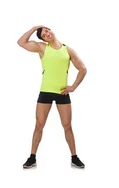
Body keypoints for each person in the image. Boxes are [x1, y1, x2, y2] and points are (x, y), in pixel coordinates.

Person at [17, 25, 88, 169]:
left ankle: (74, 157)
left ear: (52, 31)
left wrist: (73, 87)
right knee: (39, 125)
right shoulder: (42, 48)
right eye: (44, 34)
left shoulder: (67, 49)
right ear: (43, 39)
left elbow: (83, 69)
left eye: (47, 30)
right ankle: (32, 157)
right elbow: (21, 42)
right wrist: (35, 27)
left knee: (67, 126)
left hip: (62, 92)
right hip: (45, 92)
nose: (47, 34)